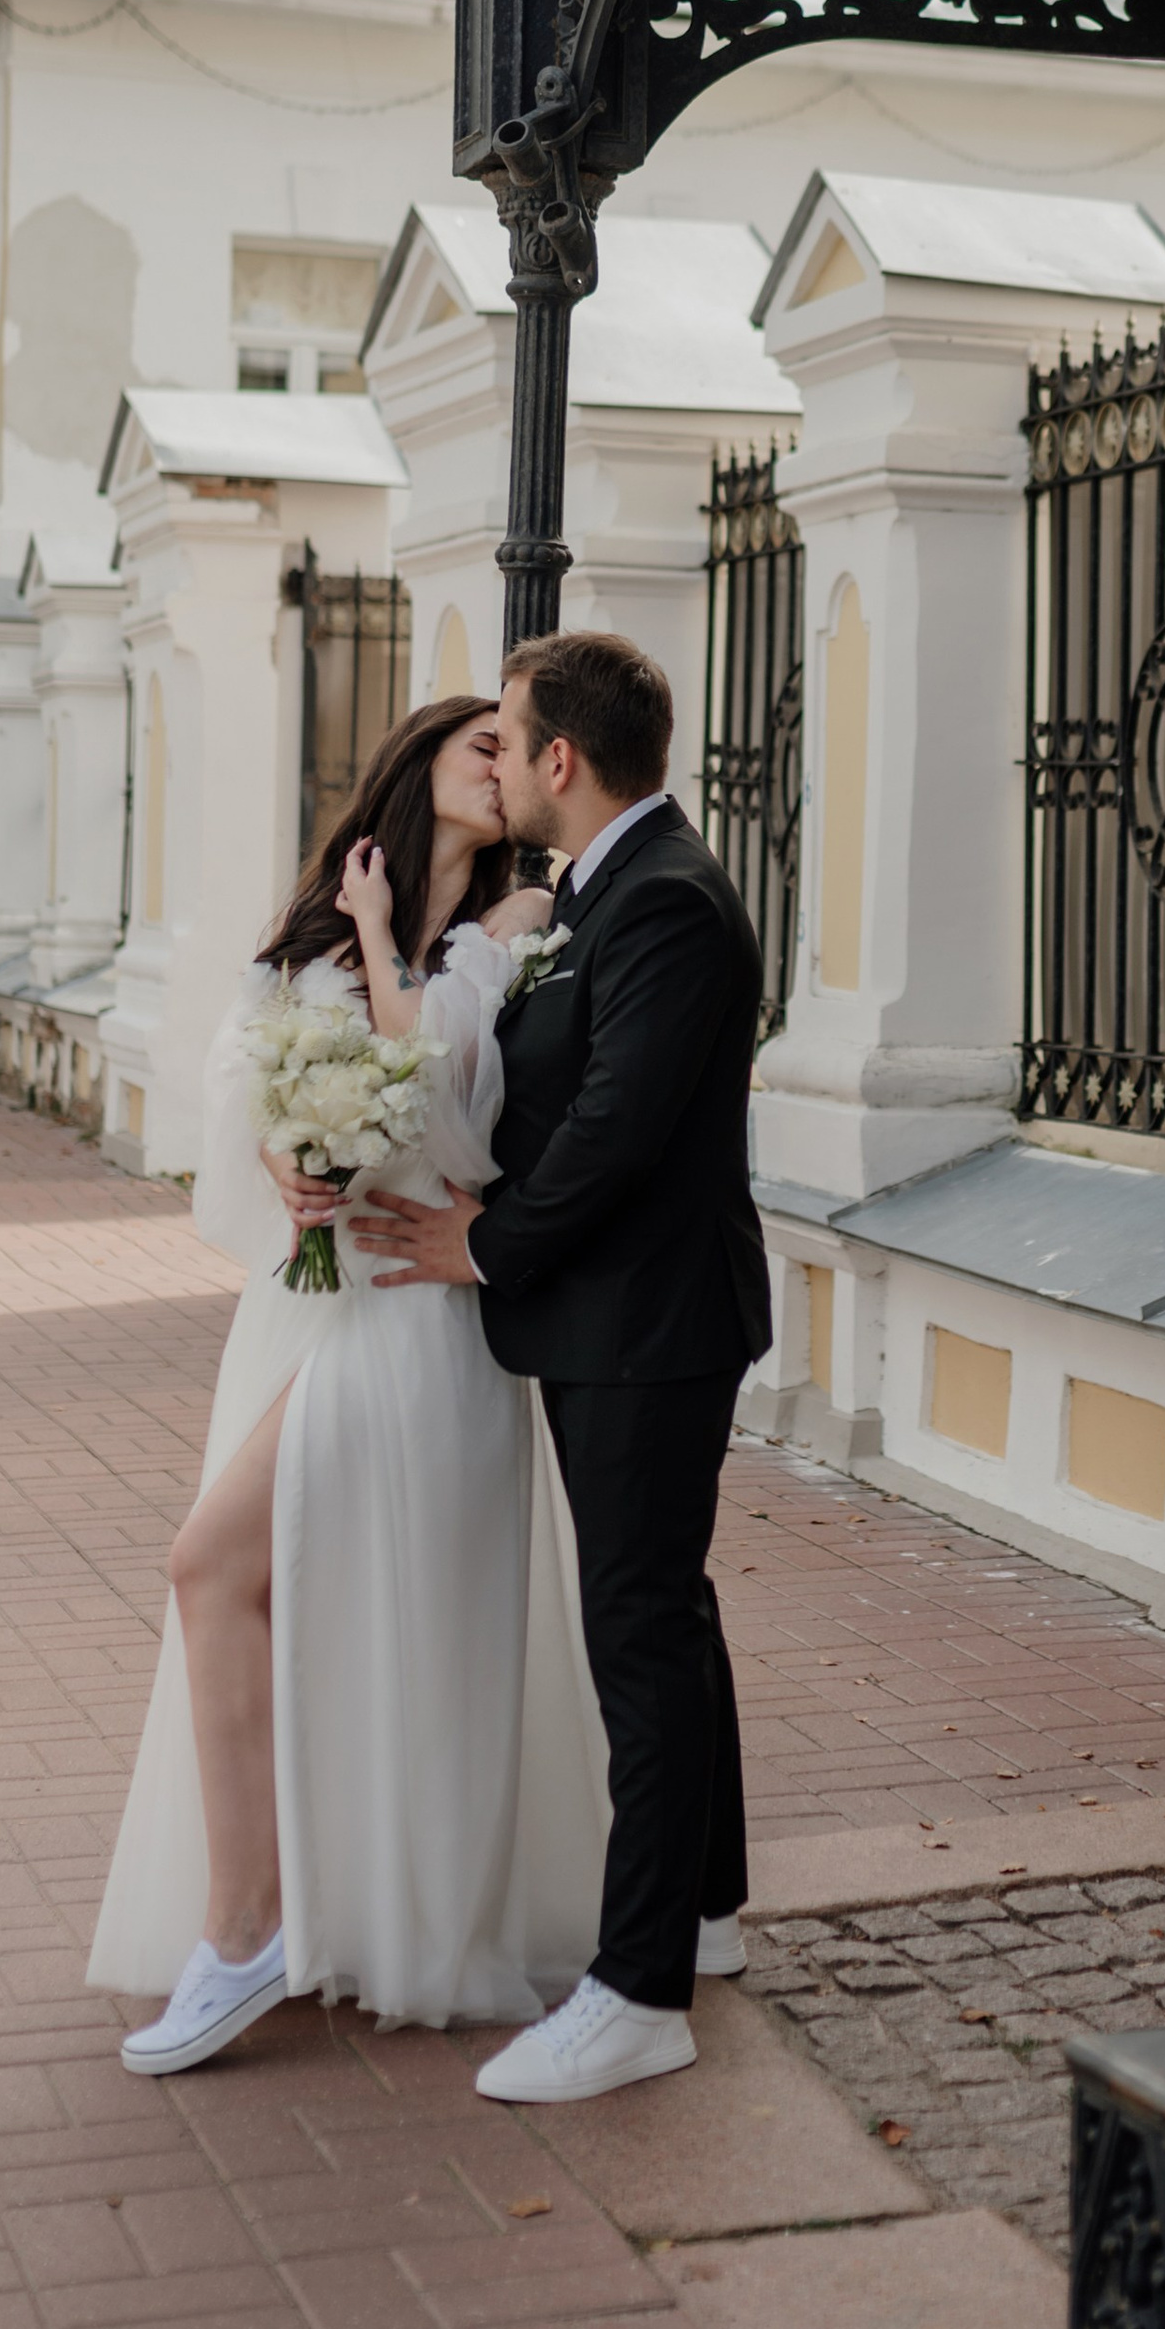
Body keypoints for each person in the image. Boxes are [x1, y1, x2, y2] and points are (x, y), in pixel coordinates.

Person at [87, 696, 608, 2073]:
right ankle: (271, 1917)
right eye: (481, 748)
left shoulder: (519, 929)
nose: (506, 770)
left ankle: (263, 1926)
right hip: (309, 1307)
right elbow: (237, 1068)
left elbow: (442, 1105)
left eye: (519, 751)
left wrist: (388, 944)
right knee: (267, 1583)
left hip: (417, 1306)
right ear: (419, 764)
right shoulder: (317, 919)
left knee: (238, 1572)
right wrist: (283, 1161)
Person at [349, 630, 772, 2102]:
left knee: (637, 1642)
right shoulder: (604, 893)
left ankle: (639, 1987)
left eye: (511, 737)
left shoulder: (667, 905)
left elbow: (614, 1127)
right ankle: (707, 1910)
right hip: (621, 1321)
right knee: (671, 1613)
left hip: (645, 1327)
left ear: (561, 763)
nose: (502, 761)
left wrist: (487, 1244)